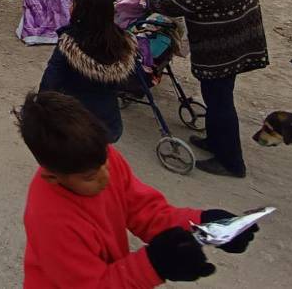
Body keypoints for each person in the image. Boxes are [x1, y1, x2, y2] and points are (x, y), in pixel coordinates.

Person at [16, 91, 258, 288]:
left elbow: (144, 211)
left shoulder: (100, 158)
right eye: (90, 177)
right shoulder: (51, 220)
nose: (105, 177)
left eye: (105, 163)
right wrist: (154, 265)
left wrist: (202, 224)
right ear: (52, 176)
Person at [142, 0, 269, 177]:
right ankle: (215, 140)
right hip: (241, 36)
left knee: (219, 99)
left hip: (221, 44)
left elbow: (176, 4)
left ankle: (230, 161)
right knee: (219, 95)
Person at [39, 0, 136, 142]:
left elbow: (50, 82)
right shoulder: (122, 43)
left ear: (81, 11)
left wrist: (39, 112)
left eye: (73, 2)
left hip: (74, 124)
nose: (69, 5)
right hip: (109, 124)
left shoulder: (70, 45)